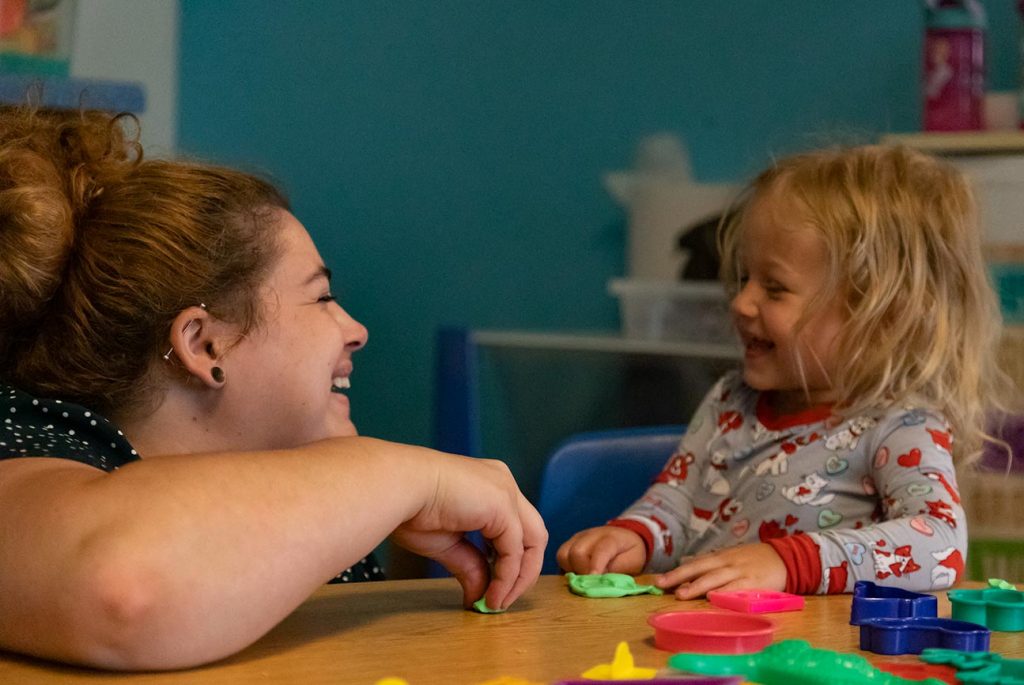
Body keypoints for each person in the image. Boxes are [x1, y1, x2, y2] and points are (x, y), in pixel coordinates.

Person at [0, 107, 546, 670]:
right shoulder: (24, 439)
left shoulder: (299, 492)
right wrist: (406, 476)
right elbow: (124, 589)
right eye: (322, 298)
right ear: (206, 345)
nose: (357, 331)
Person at [558, 144, 1013, 599]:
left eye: (774, 289)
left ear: (881, 318)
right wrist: (636, 536)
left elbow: (940, 545)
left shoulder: (901, 426)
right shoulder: (729, 400)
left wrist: (788, 561)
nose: (741, 302)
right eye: (743, 278)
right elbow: (679, 502)